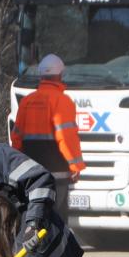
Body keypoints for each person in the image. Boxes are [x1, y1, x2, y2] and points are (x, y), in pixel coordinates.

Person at [10, 53, 86, 221]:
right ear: (60, 75)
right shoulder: (63, 101)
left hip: (30, 172)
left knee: (33, 216)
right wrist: (75, 165)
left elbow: (16, 138)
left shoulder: (27, 101)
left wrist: (16, 165)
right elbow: (66, 138)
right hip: (57, 172)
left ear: (41, 75)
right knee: (56, 219)